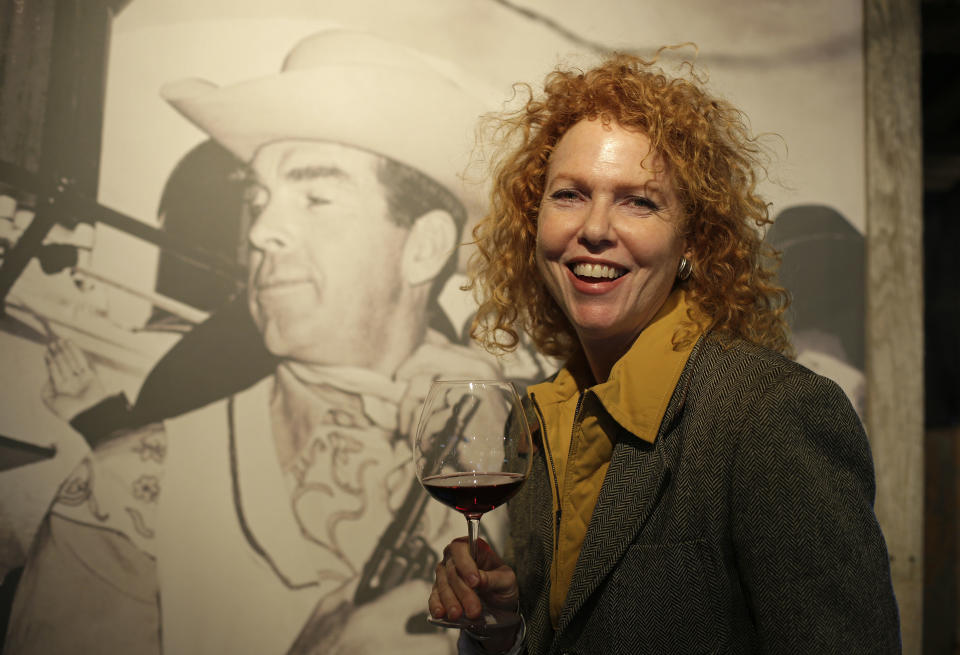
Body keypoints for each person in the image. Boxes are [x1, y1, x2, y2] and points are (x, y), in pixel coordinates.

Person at [6, 30, 501, 655]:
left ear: (425, 247)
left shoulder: (506, 455)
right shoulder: (120, 496)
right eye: (259, 199)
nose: (261, 229)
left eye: (315, 196)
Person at [428, 52, 902, 654]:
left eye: (639, 202)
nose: (595, 229)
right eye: (570, 194)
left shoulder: (771, 413)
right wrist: (500, 628)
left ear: (693, 240)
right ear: (533, 222)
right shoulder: (541, 420)